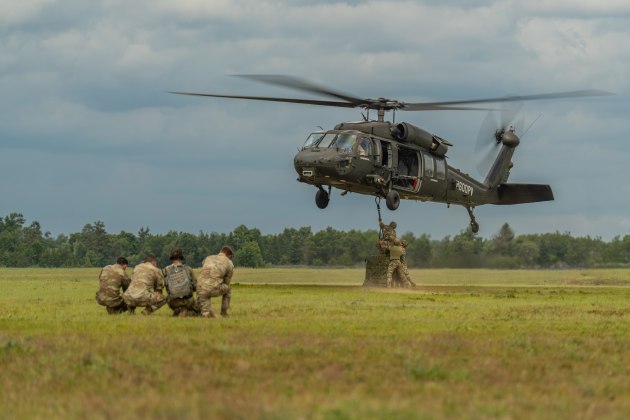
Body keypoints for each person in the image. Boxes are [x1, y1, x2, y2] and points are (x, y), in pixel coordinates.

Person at [197, 246, 234, 318]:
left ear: (220, 251)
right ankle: (224, 313)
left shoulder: (208, 258)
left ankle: (205, 313)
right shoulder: (229, 262)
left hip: (200, 287)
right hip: (213, 287)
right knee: (228, 288)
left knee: (205, 312)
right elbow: (226, 282)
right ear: (229, 255)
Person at [163, 247, 199, 317]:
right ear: (181, 257)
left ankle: (178, 311)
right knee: (198, 311)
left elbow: (166, 287)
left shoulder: (166, 270)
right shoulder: (188, 269)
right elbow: (195, 286)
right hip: (188, 301)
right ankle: (185, 311)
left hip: (173, 302)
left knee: (170, 299)